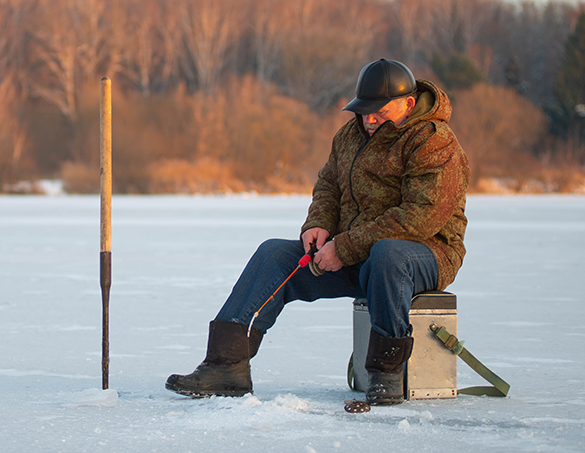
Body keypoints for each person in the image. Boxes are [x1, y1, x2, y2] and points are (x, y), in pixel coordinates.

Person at [165, 58, 469, 405]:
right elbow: (328, 186)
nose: (369, 119)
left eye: (379, 111)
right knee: (274, 255)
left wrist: (344, 248)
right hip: (355, 252)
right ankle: (225, 367)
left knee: (388, 254)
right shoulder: (349, 136)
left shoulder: (434, 142)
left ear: (408, 104)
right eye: (363, 110)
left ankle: (386, 374)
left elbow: (420, 217)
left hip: (424, 255)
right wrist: (318, 224)